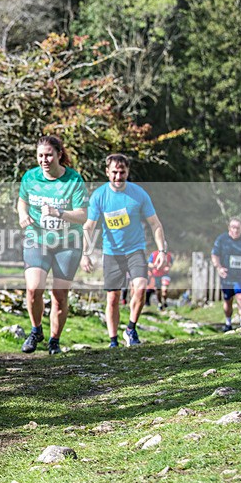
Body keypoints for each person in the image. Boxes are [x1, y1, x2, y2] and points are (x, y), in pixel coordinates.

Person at [81, 154, 168, 348]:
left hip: (135, 250)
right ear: (107, 172)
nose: (118, 176)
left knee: (140, 287)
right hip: (112, 252)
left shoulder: (139, 194)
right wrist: (85, 253)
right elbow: (88, 226)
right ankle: (113, 341)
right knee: (113, 298)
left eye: (122, 172)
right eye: (114, 172)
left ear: (128, 172)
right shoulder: (99, 196)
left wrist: (162, 250)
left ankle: (130, 329)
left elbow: (155, 223)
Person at [17, 135, 88, 355]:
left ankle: (54, 341)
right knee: (33, 288)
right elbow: (22, 201)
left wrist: (59, 213)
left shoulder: (74, 181)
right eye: (40, 155)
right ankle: (36, 330)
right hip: (37, 240)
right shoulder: (30, 177)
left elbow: (83, 216)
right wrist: (22, 214)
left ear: (59, 154)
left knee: (59, 295)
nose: (44, 160)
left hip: (68, 244)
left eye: (48, 155)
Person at [211, 217, 241, 331]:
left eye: (238, 228)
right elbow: (214, 255)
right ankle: (228, 323)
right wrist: (219, 267)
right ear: (229, 228)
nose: (235, 230)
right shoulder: (222, 239)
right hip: (227, 276)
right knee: (228, 300)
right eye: (233, 227)